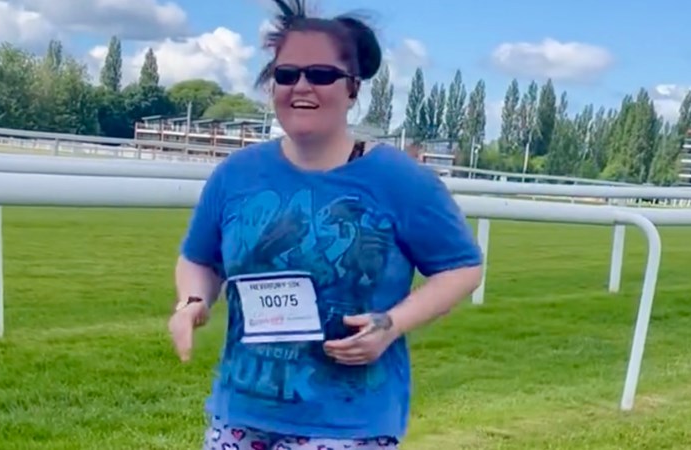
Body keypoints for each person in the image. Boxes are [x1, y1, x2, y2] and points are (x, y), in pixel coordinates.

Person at [168, 1, 484, 448]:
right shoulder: (236, 174)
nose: (301, 86)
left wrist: (391, 324)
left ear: (353, 88)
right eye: (286, 74)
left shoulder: (400, 179)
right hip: (241, 411)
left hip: (348, 422)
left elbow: (462, 267)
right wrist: (192, 302)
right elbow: (199, 258)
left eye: (320, 74)